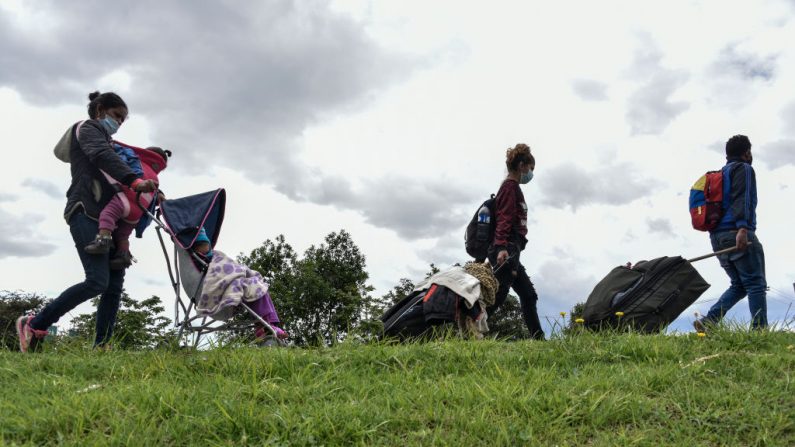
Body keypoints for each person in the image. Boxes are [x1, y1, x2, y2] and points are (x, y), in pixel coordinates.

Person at [16, 91, 156, 352]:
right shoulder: (88, 129)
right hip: (85, 210)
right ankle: (35, 323)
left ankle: (102, 345)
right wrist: (133, 181)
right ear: (100, 109)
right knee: (97, 281)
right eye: (116, 116)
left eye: (123, 121)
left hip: (110, 219)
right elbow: (101, 155)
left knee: (114, 287)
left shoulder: (112, 144)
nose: (118, 123)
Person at [694, 135, 767, 331]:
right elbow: (742, 199)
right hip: (737, 232)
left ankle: (708, 322)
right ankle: (760, 331)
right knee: (756, 283)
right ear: (747, 152)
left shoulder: (719, 175)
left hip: (717, 238)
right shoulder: (744, 169)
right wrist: (743, 228)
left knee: (739, 285)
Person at [487, 143, 544, 340]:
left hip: (512, 248)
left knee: (528, 295)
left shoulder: (512, 188)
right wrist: (502, 247)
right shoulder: (510, 188)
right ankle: (468, 331)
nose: (530, 173)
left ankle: (539, 339)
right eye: (531, 168)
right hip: (507, 249)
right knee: (498, 295)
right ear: (522, 165)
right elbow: (505, 218)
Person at [84, 144, 171, 270]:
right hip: (138, 211)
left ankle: (103, 240)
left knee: (107, 215)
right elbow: (156, 197)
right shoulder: (155, 177)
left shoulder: (134, 159)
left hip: (125, 199)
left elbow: (118, 162)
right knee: (123, 235)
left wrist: (111, 144)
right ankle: (123, 256)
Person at [192, 228, 288, 341]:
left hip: (232, 283)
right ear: (195, 247)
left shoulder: (213, 256)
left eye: (205, 244)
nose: (205, 248)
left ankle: (267, 325)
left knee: (259, 287)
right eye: (201, 245)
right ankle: (265, 326)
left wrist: (241, 272)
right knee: (255, 287)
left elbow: (226, 263)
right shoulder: (200, 261)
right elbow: (220, 271)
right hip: (223, 289)